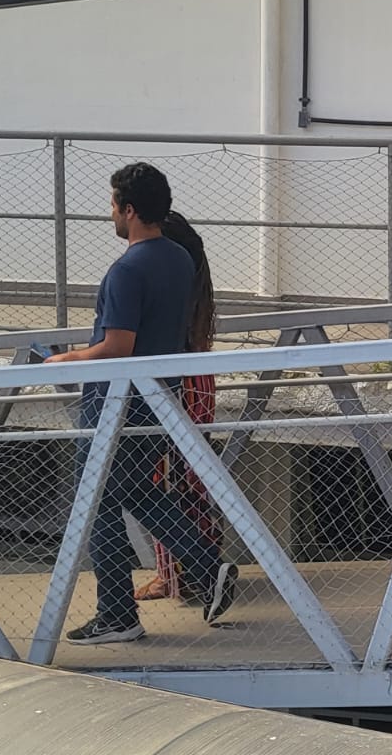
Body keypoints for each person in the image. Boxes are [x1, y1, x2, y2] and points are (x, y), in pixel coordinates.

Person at [47, 163, 238, 644]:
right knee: (133, 491)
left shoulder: (127, 270)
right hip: (160, 399)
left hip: (116, 404)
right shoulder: (176, 258)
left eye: (112, 204)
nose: (109, 213)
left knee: (97, 502)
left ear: (129, 210)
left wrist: (67, 359)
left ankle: (117, 614)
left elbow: (117, 346)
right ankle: (205, 568)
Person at [132, 210, 222, 604]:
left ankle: (176, 575)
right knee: (191, 480)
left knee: (164, 480)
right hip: (198, 383)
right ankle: (197, 569)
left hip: (173, 388)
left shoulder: (166, 281)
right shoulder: (196, 283)